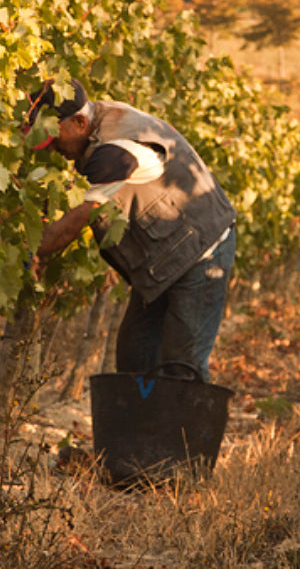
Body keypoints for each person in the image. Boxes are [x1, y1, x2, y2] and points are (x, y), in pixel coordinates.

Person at [25, 79, 236, 382]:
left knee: (182, 365)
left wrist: (27, 249)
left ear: (80, 121)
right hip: (166, 258)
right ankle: (142, 428)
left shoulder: (116, 152)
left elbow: (69, 227)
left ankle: (186, 430)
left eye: (54, 139)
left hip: (202, 252)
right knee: (135, 355)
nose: (54, 149)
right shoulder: (100, 119)